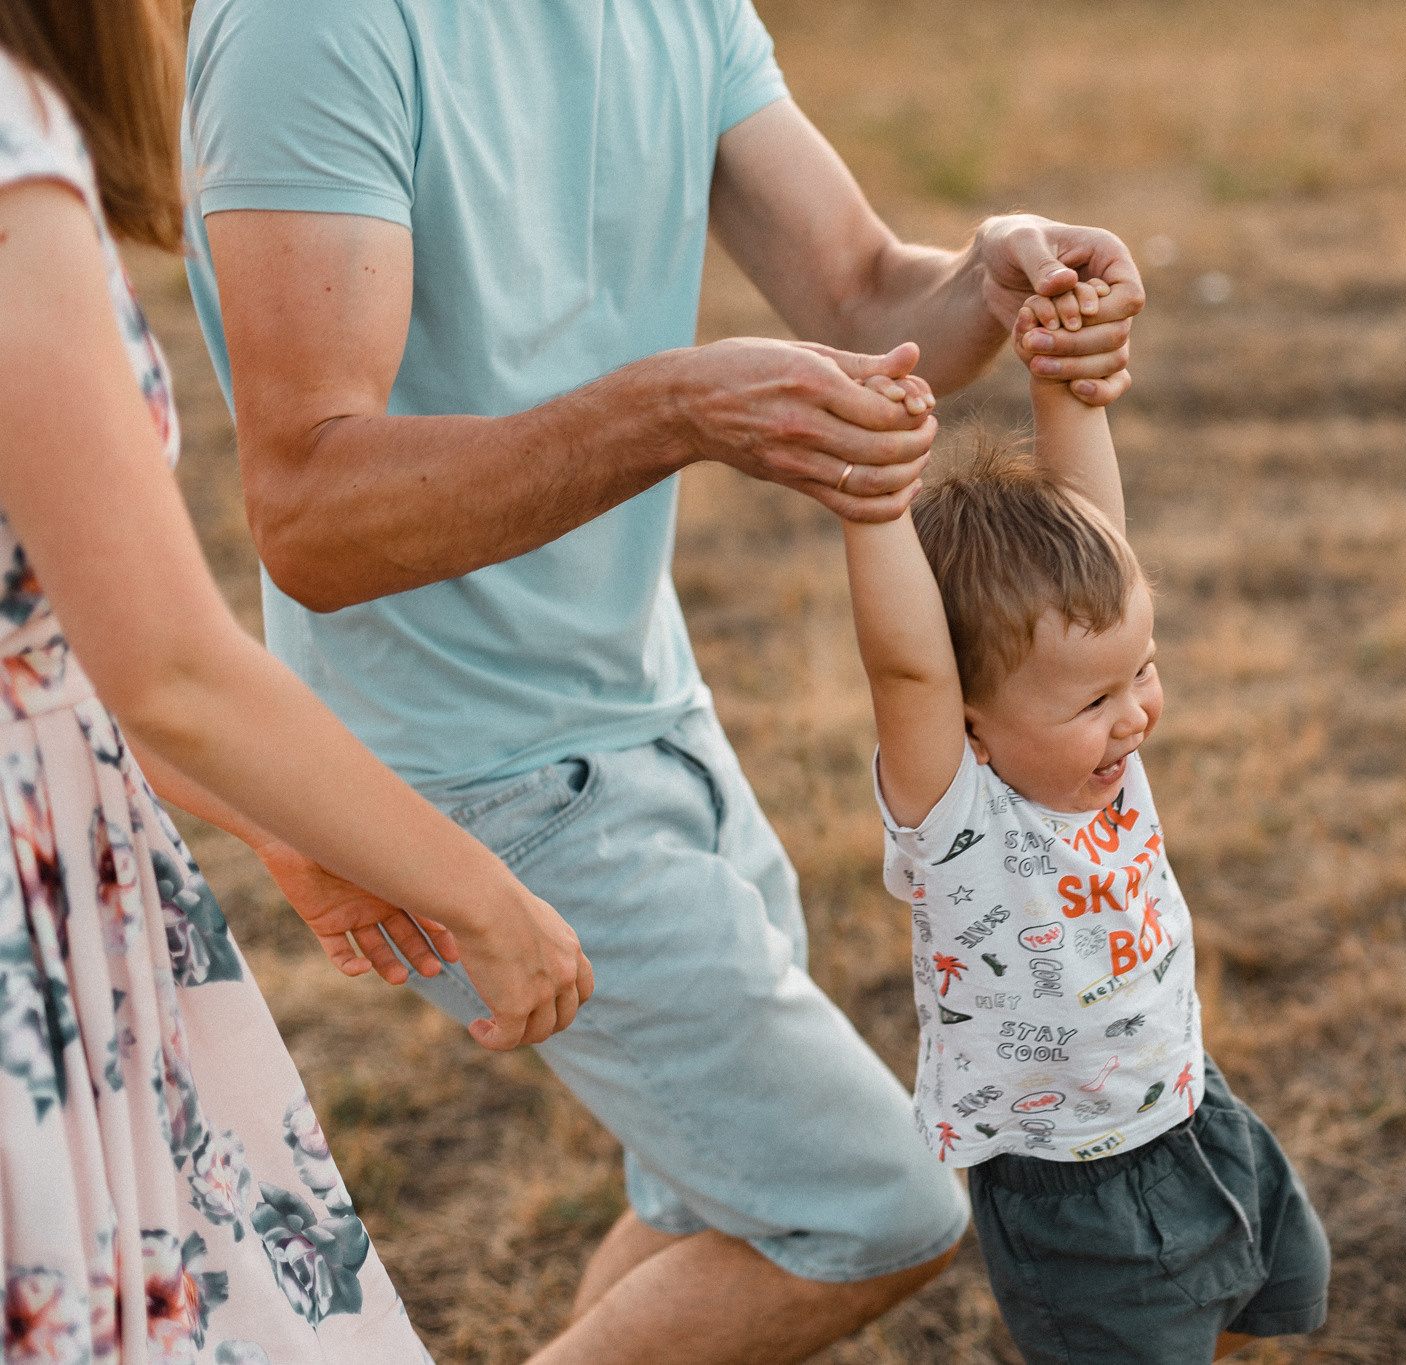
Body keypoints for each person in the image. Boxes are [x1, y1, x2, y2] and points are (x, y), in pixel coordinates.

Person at [181, 0, 1144, 1359]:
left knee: (720, 1209)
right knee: (874, 1210)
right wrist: (673, 407)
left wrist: (993, 276)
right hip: (461, 770)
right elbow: (312, 514)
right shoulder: (314, 25)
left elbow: (865, 290)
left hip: (652, 709)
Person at [0, 0, 593, 1358]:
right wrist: (481, 892)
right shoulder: (11, 153)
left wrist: (275, 818)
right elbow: (173, 667)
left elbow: (50, 634)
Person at [838, 282, 1330, 1363]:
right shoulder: (957, 817)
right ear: (968, 726)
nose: (1135, 716)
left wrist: (1060, 371)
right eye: (1095, 702)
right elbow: (906, 664)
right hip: (1070, 1192)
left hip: (1193, 1110)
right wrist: (872, 502)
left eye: (1141, 674)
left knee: (1271, 1299)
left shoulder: (1100, 761)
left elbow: (1095, 533)